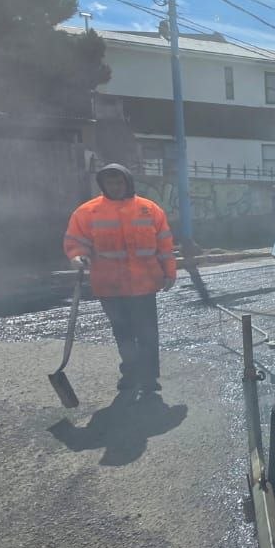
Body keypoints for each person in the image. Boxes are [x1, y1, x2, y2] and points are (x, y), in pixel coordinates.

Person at [63, 164, 176, 397]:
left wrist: (169, 272)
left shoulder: (149, 209)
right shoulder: (87, 212)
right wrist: (77, 257)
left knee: (147, 334)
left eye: (119, 182)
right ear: (103, 185)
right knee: (122, 333)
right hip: (110, 286)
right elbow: (76, 242)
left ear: (128, 183)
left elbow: (164, 244)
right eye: (110, 183)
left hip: (145, 285)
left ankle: (149, 377)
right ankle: (130, 372)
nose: (115, 187)